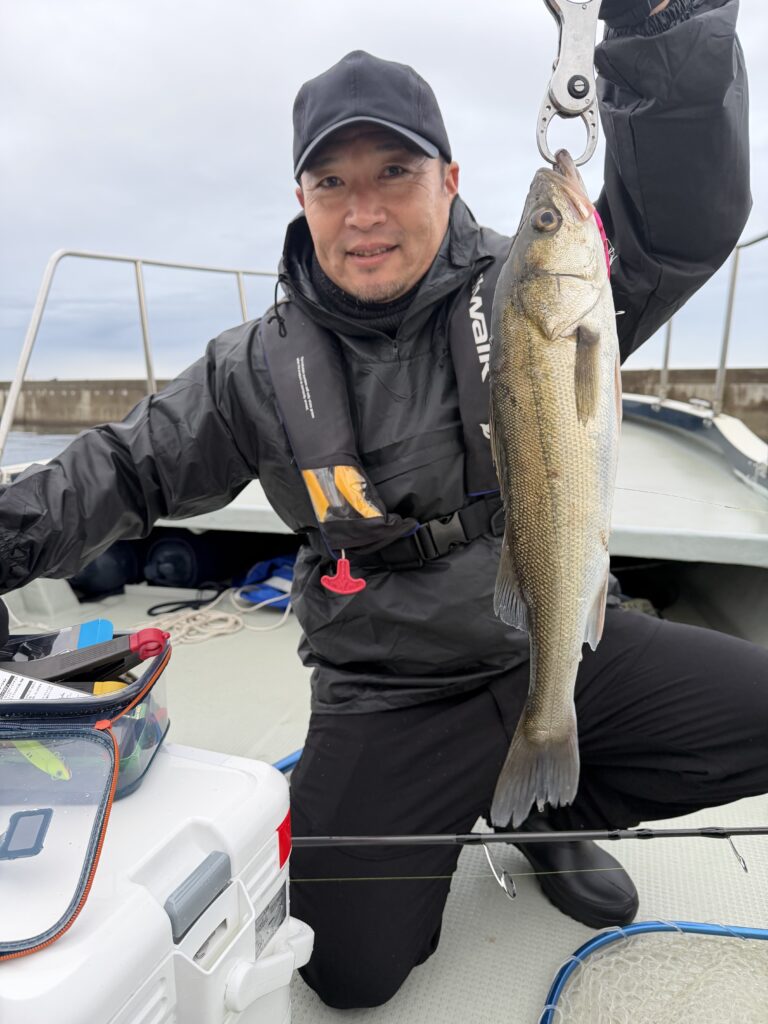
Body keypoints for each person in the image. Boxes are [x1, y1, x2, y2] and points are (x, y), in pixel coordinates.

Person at [1, 0, 766, 1010]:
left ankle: (549, 807)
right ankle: (475, 796)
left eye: (395, 173)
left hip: (554, 641)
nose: (363, 212)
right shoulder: (253, 370)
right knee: (345, 968)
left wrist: (661, 30)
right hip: (389, 686)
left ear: (450, 178)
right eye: (333, 183)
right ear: (302, 198)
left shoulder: (541, 288)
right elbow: (118, 468)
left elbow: (680, 221)